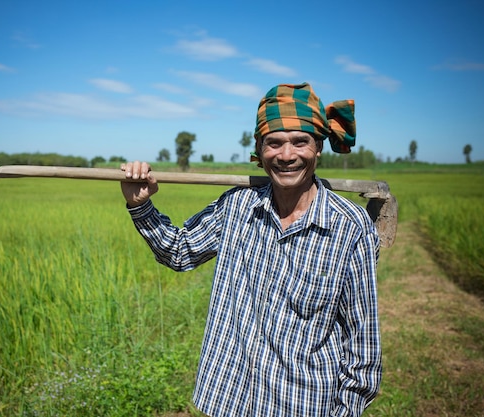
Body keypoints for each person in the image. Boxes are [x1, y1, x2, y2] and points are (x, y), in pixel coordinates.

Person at [120, 83, 382, 417]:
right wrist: (140, 205)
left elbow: (363, 348)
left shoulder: (350, 227)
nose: (286, 156)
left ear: (318, 149)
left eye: (300, 142)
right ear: (259, 151)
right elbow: (179, 251)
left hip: (303, 405)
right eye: (274, 143)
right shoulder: (237, 207)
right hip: (231, 400)